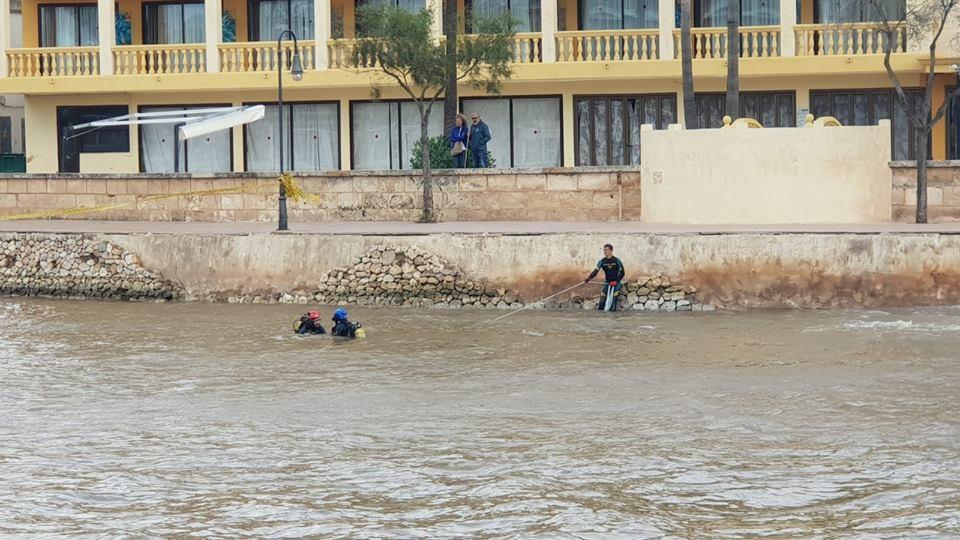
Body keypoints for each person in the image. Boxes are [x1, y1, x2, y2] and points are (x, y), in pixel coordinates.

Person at [584, 244, 625, 312]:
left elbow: (622, 273)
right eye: (604, 250)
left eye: (606, 250)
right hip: (607, 282)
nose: (604, 251)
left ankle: (613, 316)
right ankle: (600, 317)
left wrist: (616, 281)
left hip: (616, 283)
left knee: (613, 300)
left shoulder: (617, 261)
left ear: (611, 251)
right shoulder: (602, 261)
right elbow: (595, 271)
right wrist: (588, 278)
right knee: (602, 300)